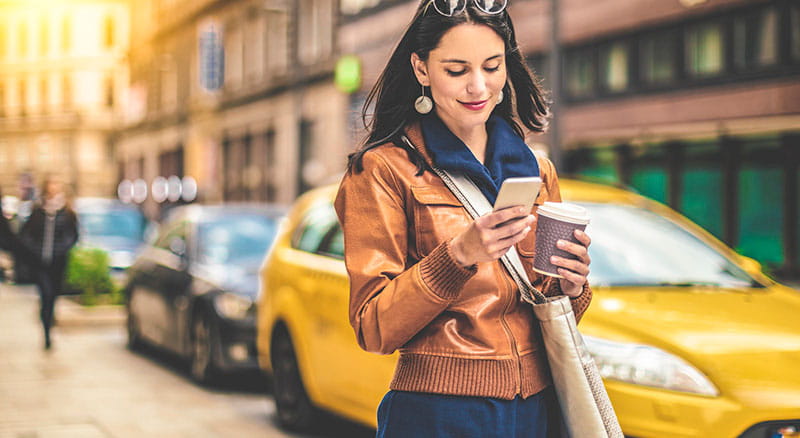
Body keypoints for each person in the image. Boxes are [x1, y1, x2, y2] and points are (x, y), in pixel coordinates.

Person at [334, 1, 594, 436]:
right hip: (438, 413)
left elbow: (546, 305)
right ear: (421, 69)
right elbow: (373, 326)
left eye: (493, 66)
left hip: (536, 409)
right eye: (456, 71)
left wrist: (572, 285)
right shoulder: (382, 170)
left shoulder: (535, 169)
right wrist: (459, 255)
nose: (478, 86)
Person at [19, 175, 79, 349]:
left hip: (58, 262)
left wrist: (63, 248)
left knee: (53, 295)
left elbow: (74, 235)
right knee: (45, 294)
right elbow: (26, 233)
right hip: (40, 263)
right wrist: (34, 249)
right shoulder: (38, 210)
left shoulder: (67, 211)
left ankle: (48, 318)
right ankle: (46, 331)